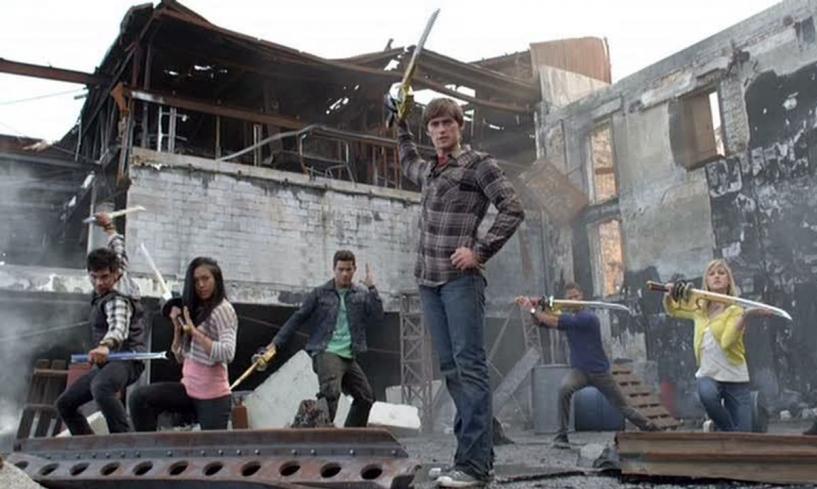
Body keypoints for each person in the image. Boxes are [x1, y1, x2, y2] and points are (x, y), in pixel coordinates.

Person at [395, 97, 525, 488]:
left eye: (446, 123)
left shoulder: (477, 164)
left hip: (460, 281)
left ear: (459, 125)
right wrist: (399, 123)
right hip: (428, 281)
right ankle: (467, 459)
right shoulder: (431, 170)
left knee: (470, 369)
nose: (440, 130)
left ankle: (475, 468)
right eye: (434, 125)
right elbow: (407, 160)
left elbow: (512, 208)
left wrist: (480, 251)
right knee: (452, 370)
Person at [516, 283, 659, 449]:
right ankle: (562, 435)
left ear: (582, 296)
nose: (573, 300)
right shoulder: (568, 318)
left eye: (576, 296)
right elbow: (540, 322)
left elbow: (552, 321)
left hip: (600, 372)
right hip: (580, 371)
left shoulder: (588, 318)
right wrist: (535, 308)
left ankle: (648, 426)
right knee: (564, 389)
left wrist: (533, 309)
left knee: (622, 406)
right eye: (570, 297)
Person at [257, 250, 382, 428]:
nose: (344, 274)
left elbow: (377, 316)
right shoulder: (320, 293)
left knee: (366, 397)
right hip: (326, 351)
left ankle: (348, 438)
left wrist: (372, 288)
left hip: (348, 355)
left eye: (348, 269)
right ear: (334, 269)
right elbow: (298, 318)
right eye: (340, 269)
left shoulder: (360, 294)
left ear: (354, 269)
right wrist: (275, 343)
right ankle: (319, 436)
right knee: (331, 393)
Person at [55, 212, 146, 434]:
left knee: (101, 387)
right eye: (94, 277)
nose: (99, 283)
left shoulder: (117, 299)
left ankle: (123, 441)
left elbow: (119, 327)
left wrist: (105, 345)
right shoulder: (118, 267)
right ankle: (87, 444)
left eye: (104, 277)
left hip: (127, 359)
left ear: (115, 274)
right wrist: (109, 227)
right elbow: (118, 249)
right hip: (109, 362)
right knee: (65, 404)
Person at [129, 257, 237, 431]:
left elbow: (227, 353)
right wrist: (178, 329)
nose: (201, 285)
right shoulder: (194, 309)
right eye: (196, 281)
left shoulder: (223, 309)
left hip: (213, 397)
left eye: (206, 279)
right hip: (188, 389)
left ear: (216, 280)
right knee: (139, 399)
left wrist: (195, 333)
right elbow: (180, 356)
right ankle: (149, 445)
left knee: (212, 446)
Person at [663, 258, 769, 432]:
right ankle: (727, 431)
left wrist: (745, 317)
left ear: (728, 280)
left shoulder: (735, 310)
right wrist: (668, 295)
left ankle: (731, 434)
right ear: (706, 281)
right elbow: (673, 310)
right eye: (711, 274)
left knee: (745, 432)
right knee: (707, 395)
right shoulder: (699, 308)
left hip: (735, 377)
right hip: (709, 373)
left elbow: (727, 342)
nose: (716, 276)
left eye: (721, 273)